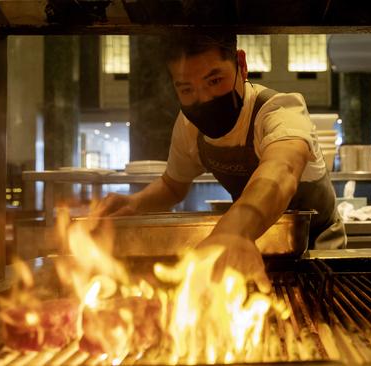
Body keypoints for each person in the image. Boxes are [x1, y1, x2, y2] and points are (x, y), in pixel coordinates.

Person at [91, 32, 346, 292]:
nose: (203, 99)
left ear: (241, 65)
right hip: (249, 251)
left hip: (315, 255)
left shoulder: (280, 111)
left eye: (214, 80)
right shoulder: (189, 126)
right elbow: (172, 186)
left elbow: (281, 170)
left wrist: (233, 231)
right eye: (186, 89)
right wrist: (135, 204)